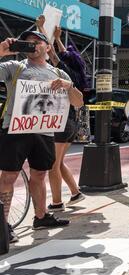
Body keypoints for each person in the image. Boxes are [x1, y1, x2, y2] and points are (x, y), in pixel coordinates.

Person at [0, 31, 84, 243]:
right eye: (27, 42)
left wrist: (68, 86)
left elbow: (78, 102)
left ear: (47, 47)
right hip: (16, 130)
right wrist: (1, 52)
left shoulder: (58, 73)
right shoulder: (15, 67)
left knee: (39, 175)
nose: (32, 45)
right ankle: (3, 225)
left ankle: (41, 216)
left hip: (44, 131)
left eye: (37, 42)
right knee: (8, 177)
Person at [35, 16, 87, 212]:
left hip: (62, 121)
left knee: (52, 165)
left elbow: (56, 56)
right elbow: (63, 54)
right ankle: (75, 192)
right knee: (59, 162)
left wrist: (41, 27)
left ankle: (56, 202)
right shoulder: (77, 72)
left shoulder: (62, 72)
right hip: (71, 122)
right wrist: (57, 39)